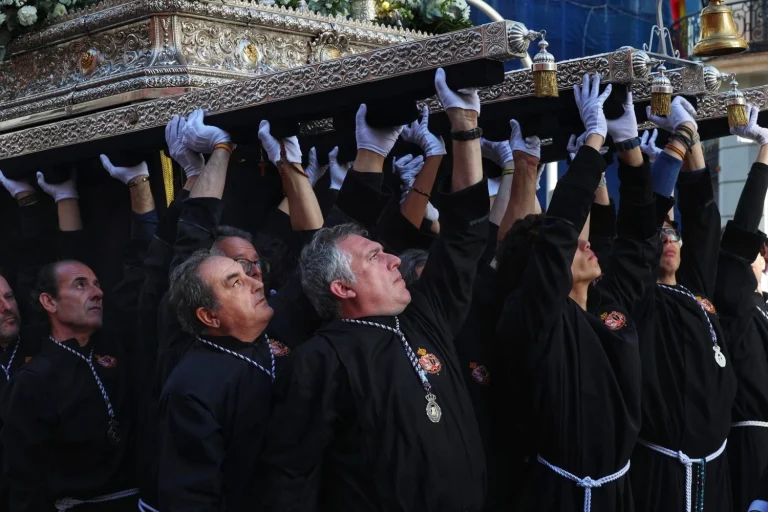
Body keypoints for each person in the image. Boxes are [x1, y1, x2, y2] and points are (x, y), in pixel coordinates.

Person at [259, 67, 489, 511]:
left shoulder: (425, 316)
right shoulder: (320, 360)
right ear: (342, 287)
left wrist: (466, 130)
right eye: (373, 257)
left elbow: (464, 236)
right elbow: (292, 475)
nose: (393, 258)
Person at [493, 75, 660, 511]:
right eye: (571, 246)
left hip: (620, 493)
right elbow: (561, 230)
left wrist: (629, 153)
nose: (585, 244)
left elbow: (641, 243)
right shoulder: (533, 318)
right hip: (558, 496)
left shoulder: (607, 304)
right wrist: (592, 141)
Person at [630, 98, 737, 512]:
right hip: (663, 471)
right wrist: (678, 144)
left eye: (673, 235)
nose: (668, 241)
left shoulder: (695, 289)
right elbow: (642, 228)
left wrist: (691, 136)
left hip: (715, 467)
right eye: (661, 236)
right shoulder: (639, 294)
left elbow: (704, 220)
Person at [0, 260, 138, 511]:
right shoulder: (32, 380)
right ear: (49, 302)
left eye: (96, 284)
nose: (98, 293)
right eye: (80, 285)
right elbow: (25, 482)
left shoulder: (116, 347)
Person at [713, 104, 768, 512]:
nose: (762, 256)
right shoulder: (733, 302)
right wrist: (765, 156)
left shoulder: (759, 304)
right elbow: (743, 233)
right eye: (758, 252)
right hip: (752, 450)